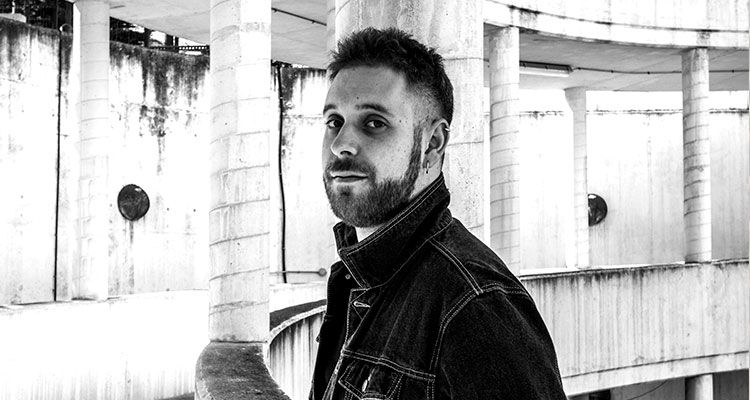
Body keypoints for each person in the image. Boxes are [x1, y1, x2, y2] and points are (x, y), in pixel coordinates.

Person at [310, 27, 566, 400]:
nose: (341, 144)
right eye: (335, 121)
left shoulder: (476, 307)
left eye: (374, 123)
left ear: (432, 144)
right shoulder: (353, 277)